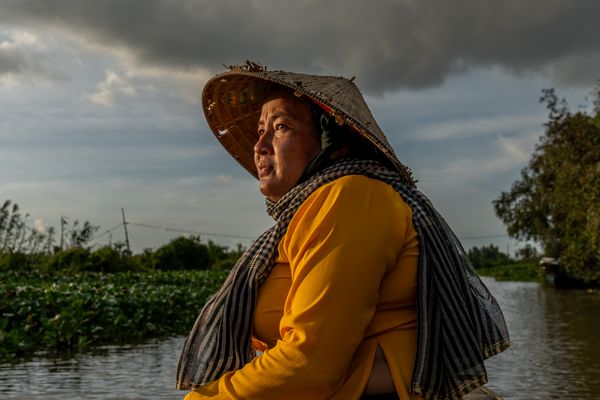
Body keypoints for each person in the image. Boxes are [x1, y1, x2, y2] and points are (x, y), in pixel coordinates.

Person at [176, 61, 510, 400]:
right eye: (260, 130)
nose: (260, 146)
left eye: (280, 127)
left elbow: (310, 364)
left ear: (333, 143)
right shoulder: (310, 213)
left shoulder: (350, 197)